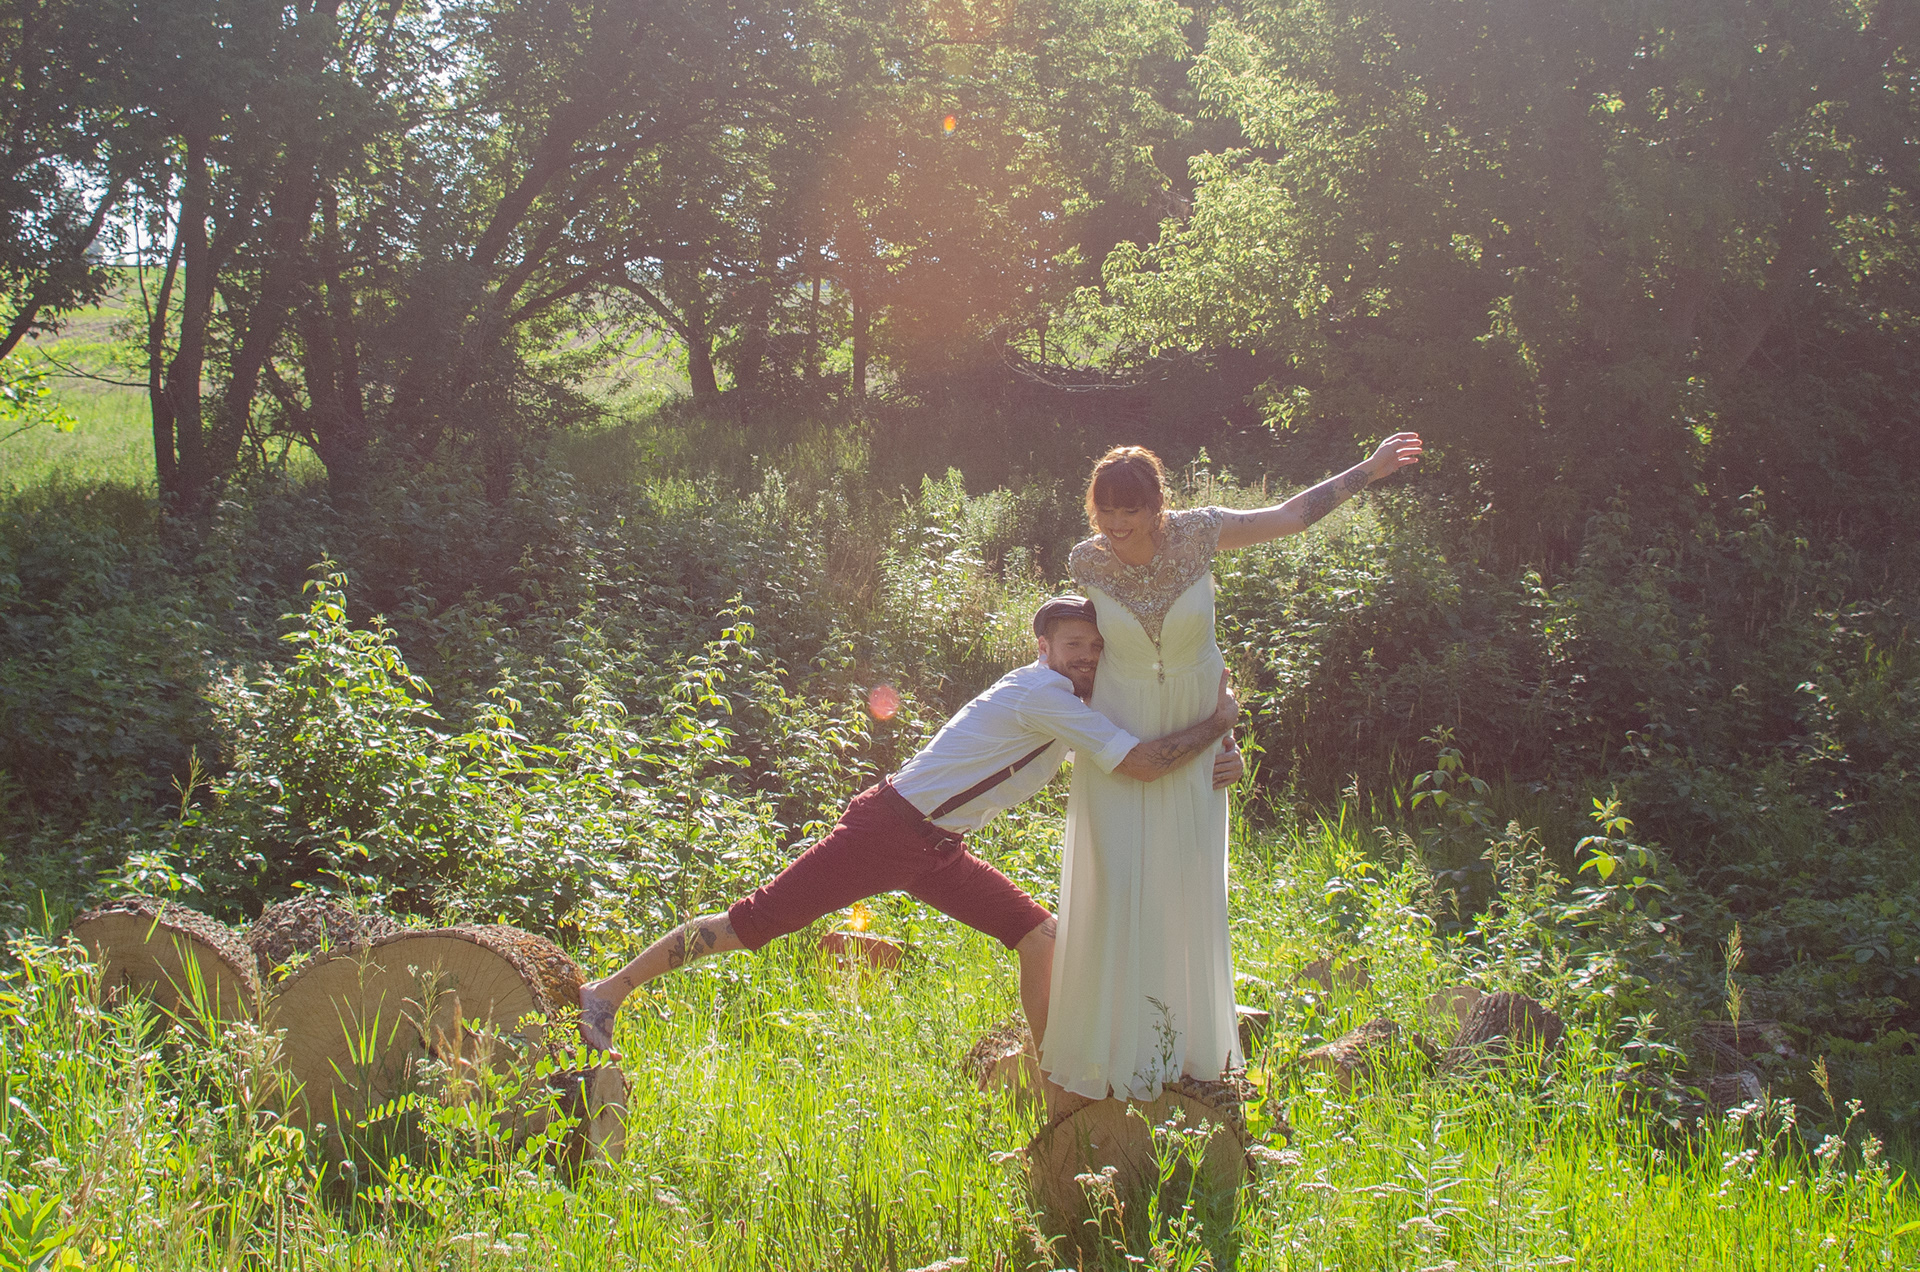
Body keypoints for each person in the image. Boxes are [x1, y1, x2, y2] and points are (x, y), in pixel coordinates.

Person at [577, 596, 1246, 1055]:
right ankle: (606, 993)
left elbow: (1147, 730)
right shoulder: (1044, 693)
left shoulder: (1075, 697)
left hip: (935, 848)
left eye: (1097, 648)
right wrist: (1218, 722)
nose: (1088, 657)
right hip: (888, 832)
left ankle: (1052, 1088)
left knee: (1039, 937)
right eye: (1075, 645)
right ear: (1043, 648)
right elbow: (1143, 762)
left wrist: (1222, 748)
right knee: (750, 924)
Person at [1043, 434, 1423, 1101]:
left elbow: (1292, 515)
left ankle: (1185, 1051)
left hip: (1198, 741)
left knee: (1183, 883)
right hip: (1121, 735)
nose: (1117, 524)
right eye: (1106, 510)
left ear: (1158, 504)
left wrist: (1370, 468)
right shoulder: (1086, 561)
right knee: (1118, 883)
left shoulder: (1201, 533)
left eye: (1131, 510)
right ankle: (1112, 1048)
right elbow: (1068, 652)